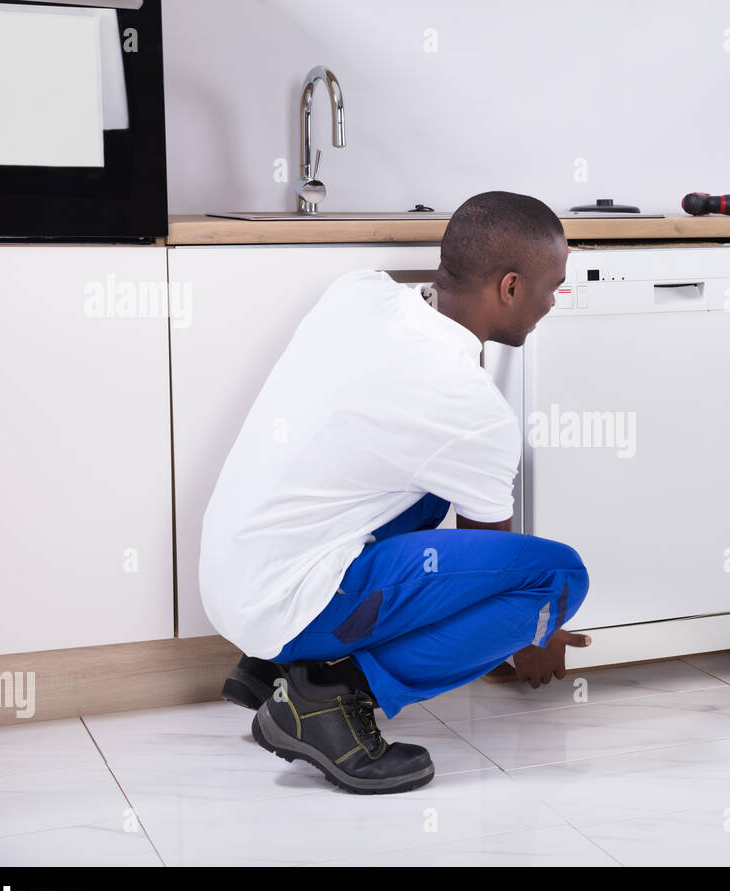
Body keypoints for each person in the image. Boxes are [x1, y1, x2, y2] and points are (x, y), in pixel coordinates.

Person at [198, 191, 590, 793]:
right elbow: (498, 567)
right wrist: (534, 633)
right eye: (552, 287)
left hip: (232, 579)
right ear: (510, 288)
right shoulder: (471, 410)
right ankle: (327, 696)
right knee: (557, 578)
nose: (553, 303)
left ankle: (272, 668)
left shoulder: (360, 292)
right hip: (288, 600)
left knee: (425, 485)